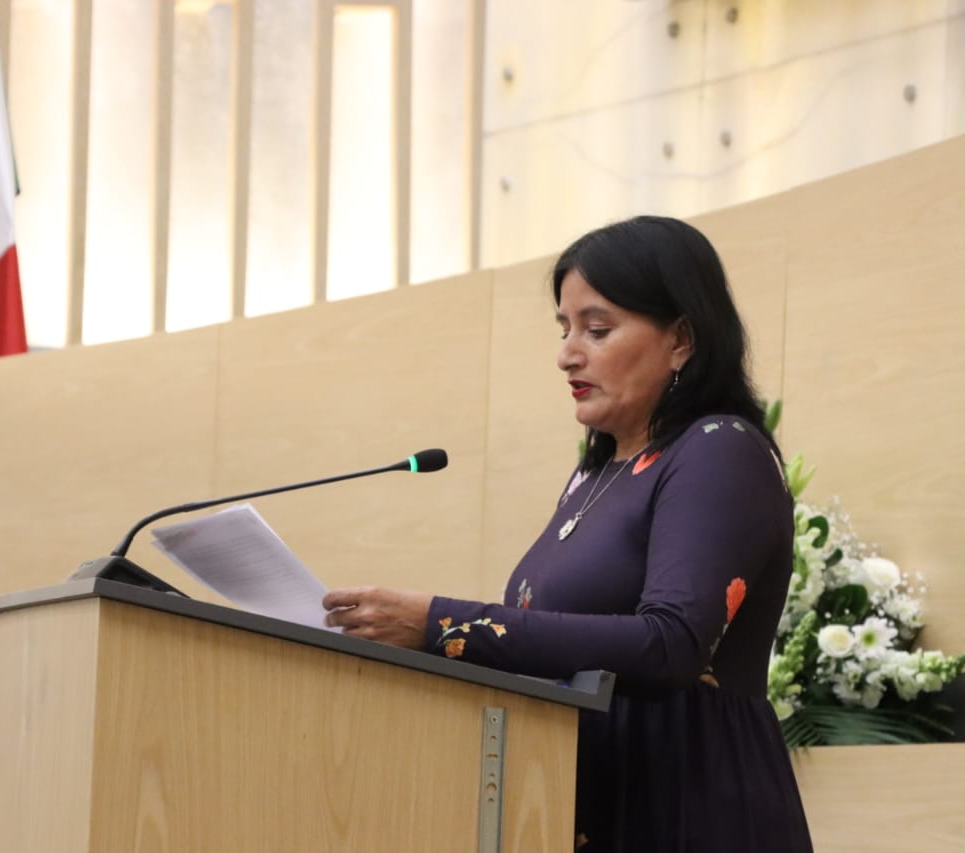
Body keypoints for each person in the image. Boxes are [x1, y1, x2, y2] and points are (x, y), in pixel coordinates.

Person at [323, 216, 813, 852]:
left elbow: (672, 645)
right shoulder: (594, 475)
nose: (567, 355)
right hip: (571, 790)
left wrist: (441, 624)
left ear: (682, 339)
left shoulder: (719, 449)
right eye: (564, 329)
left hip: (686, 797)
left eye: (597, 329)